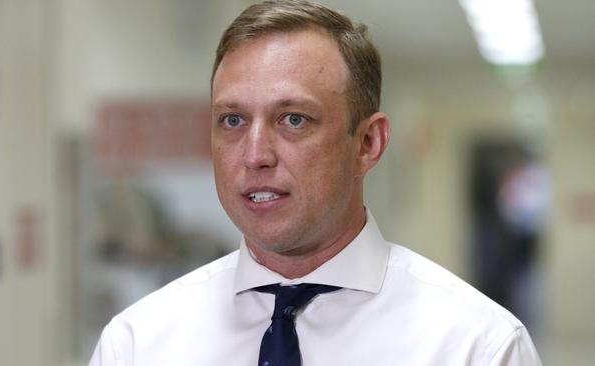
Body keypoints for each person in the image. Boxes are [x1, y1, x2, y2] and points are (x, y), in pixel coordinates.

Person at [89, 1, 542, 364]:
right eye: (232, 120)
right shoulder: (138, 344)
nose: (254, 155)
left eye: (293, 119)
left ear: (367, 143)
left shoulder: (476, 346)